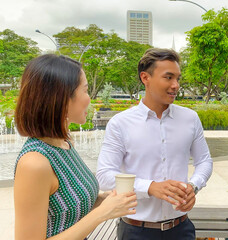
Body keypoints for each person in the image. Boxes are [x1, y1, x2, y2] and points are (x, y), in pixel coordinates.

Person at [14, 54, 137, 240]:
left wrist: (105, 201)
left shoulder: (65, 143)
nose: (90, 99)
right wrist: (102, 213)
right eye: (86, 90)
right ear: (62, 97)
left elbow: (67, 207)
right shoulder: (34, 163)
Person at [96, 48, 213, 240]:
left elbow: (205, 161)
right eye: (168, 77)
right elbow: (105, 175)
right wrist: (150, 187)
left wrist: (194, 186)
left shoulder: (190, 119)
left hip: (181, 229)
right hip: (136, 231)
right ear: (145, 78)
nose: (175, 85)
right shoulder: (120, 123)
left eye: (177, 78)